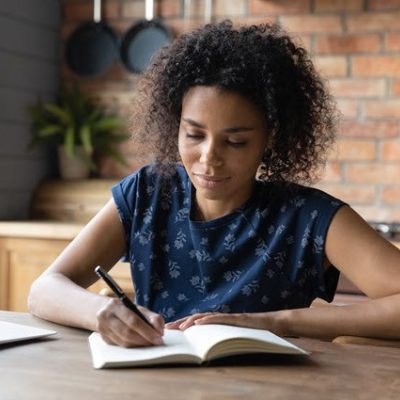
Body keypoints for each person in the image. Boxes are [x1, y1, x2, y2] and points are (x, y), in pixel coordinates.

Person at [29, 21, 400, 348]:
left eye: (235, 142)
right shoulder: (148, 193)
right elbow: (45, 289)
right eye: (193, 135)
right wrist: (100, 312)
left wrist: (277, 322)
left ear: (270, 138)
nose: (209, 157)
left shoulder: (309, 217)